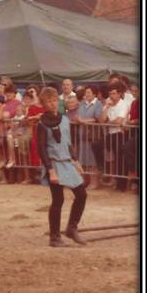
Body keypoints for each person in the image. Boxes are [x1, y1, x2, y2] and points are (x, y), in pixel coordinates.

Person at [36, 87, 88, 247]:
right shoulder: (42, 124)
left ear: (57, 101)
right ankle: (54, 237)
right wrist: (50, 171)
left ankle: (72, 228)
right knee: (58, 200)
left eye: (53, 100)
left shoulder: (65, 119)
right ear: (44, 104)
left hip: (67, 162)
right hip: (54, 164)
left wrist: (76, 161)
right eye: (48, 101)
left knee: (82, 194)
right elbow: (42, 148)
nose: (52, 104)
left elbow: (68, 142)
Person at [98, 83, 130, 190]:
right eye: (110, 93)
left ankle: (122, 185)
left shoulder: (123, 104)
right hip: (110, 134)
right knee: (96, 145)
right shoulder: (108, 102)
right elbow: (101, 120)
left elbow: (119, 121)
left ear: (119, 94)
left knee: (120, 159)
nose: (111, 95)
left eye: (114, 93)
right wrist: (106, 107)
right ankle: (105, 171)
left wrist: (108, 122)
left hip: (120, 134)